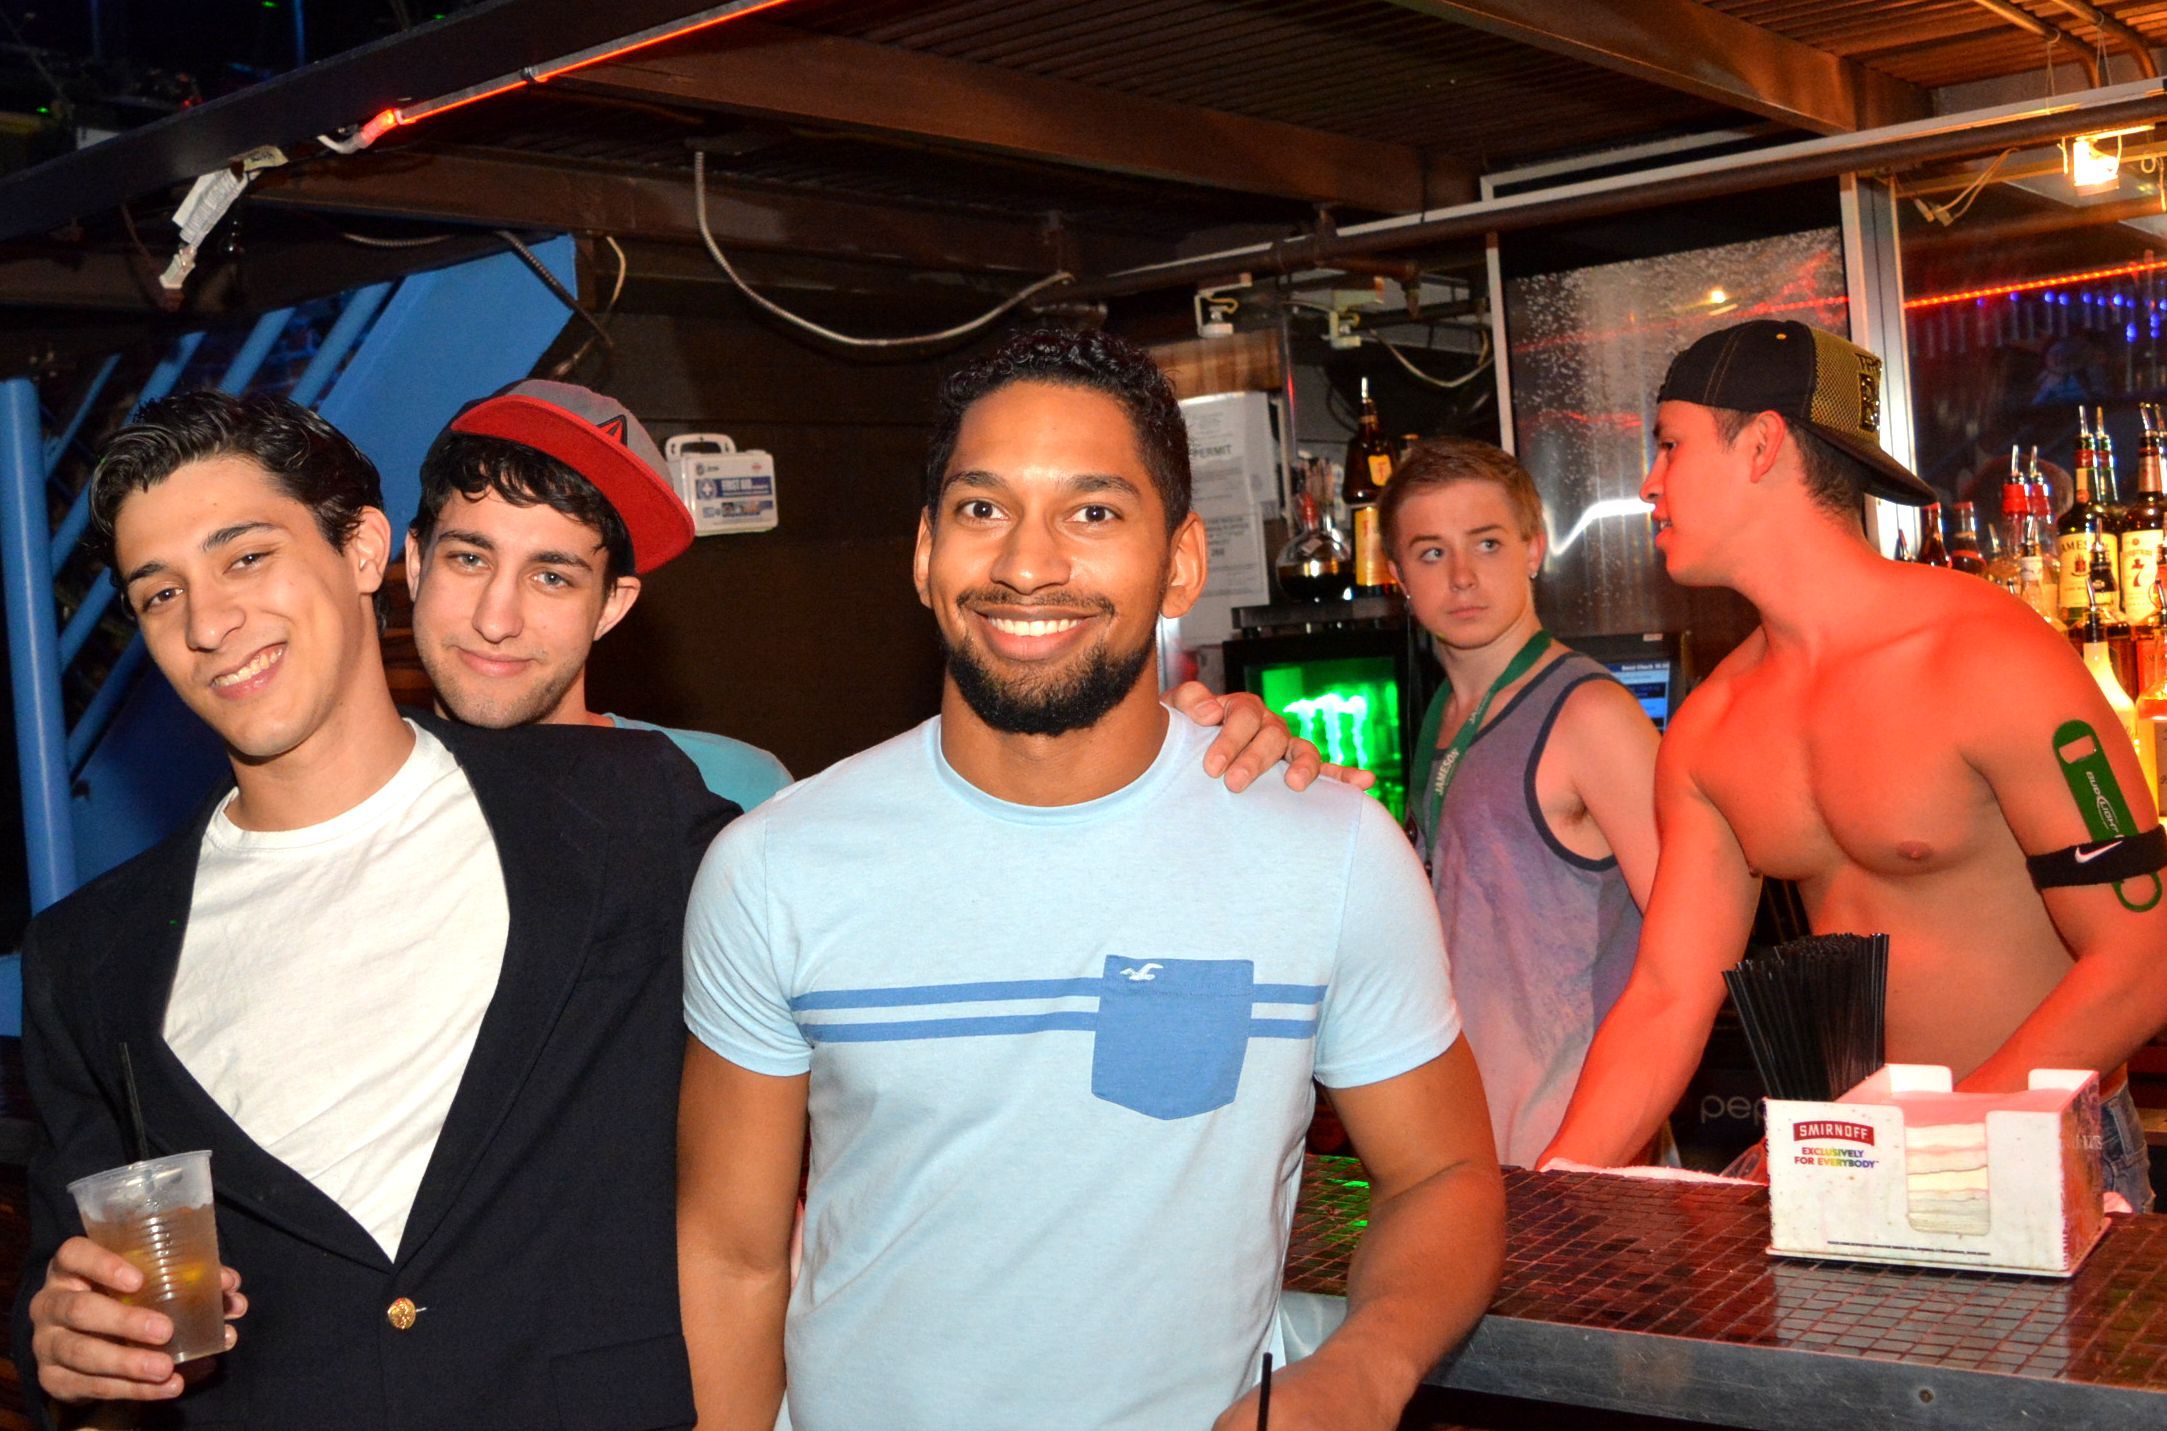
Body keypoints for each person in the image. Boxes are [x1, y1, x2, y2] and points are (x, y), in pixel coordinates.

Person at [675, 329, 1504, 1431]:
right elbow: (731, 1254)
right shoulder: (774, 868)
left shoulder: (1328, 850)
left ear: (1181, 562)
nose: (1027, 563)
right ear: (924, 552)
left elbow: (1443, 1175)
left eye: (1094, 512)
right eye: (982, 508)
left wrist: (1363, 1369)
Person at [15, 391, 733, 1426]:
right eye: (161, 593)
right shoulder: (89, 955)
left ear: (362, 550)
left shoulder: (622, 812)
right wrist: (63, 1342)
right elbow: (72, 1279)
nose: (208, 624)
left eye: (246, 557)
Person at [1541, 320, 2167, 1211]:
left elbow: (2142, 959)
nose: (1648, 482)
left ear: (1760, 444)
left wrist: (1936, 1141)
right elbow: (1666, 996)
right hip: (1860, 1160)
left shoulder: (1987, 656)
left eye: (1669, 445)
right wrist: (1549, 1198)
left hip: (2039, 1151)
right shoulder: (1712, 725)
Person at [408, 380, 1337, 803]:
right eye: (469, 559)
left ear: (614, 603)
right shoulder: (341, 796)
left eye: (553, 574)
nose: (498, 616)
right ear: (411, 564)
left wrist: (1189, 754)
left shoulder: (732, 798)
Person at [1383, 438, 1660, 1167]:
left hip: (1579, 1157)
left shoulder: (1591, 714)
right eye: (1432, 553)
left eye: (1487, 543)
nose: (1463, 576)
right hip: (1475, 1150)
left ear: (1533, 548)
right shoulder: (1442, 715)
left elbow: (1685, 960)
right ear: (1397, 576)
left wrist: (1587, 1154)